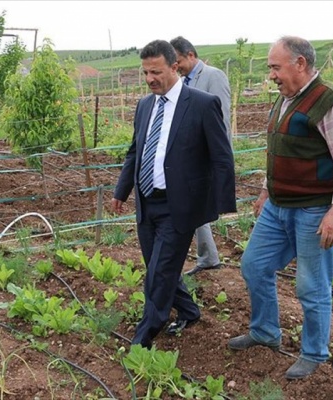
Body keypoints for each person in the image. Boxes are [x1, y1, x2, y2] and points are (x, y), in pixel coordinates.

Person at [228, 36, 333, 380]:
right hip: (278, 206)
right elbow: (279, 150)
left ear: (300, 64)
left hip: (314, 211)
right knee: (254, 266)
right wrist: (265, 191)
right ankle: (265, 332)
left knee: (311, 285)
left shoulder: (329, 103)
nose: (271, 75)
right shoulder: (286, 99)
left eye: (276, 67)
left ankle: (314, 352)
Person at [111, 40, 236, 349]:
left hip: (178, 206)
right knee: (158, 266)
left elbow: (222, 156)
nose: (150, 79)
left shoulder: (202, 104)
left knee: (159, 274)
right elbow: (135, 152)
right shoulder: (144, 105)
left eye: (156, 72)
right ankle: (190, 310)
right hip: (146, 201)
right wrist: (122, 190)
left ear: (174, 67)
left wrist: (222, 202)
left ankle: (144, 335)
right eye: (145, 73)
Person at [170, 36, 232, 276]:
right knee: (191, 203)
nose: (176, 67)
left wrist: (218, 155)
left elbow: (222, 117)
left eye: (178, 61)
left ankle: (207, 257)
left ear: (191, 55)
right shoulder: (183, 80)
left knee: (196, 204)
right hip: (188, 154)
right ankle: (207, 257)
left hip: (206, 153)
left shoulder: (213, 76)